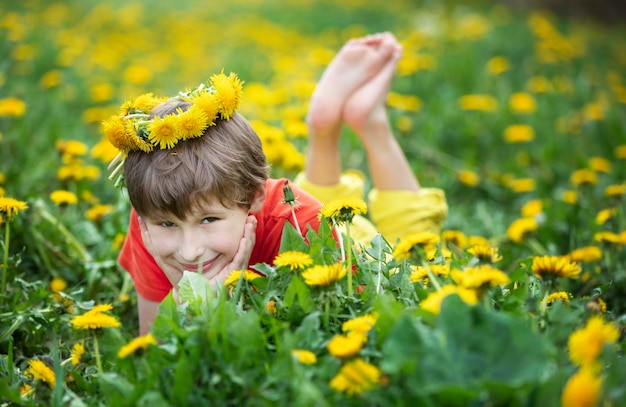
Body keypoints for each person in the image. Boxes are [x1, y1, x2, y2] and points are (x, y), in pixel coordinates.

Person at [104, 32, 447, 334]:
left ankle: (370, 123)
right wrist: (192, 307)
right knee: (313, 202)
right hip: (301, 209)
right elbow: (153, 351)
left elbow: (380, 315)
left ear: (254, 196)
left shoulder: (306, 226)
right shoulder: (152, 222)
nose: (189, 250)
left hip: (343, 241)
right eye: (167, 224)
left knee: (422, 264)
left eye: (209, 219)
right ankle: (325, 126)